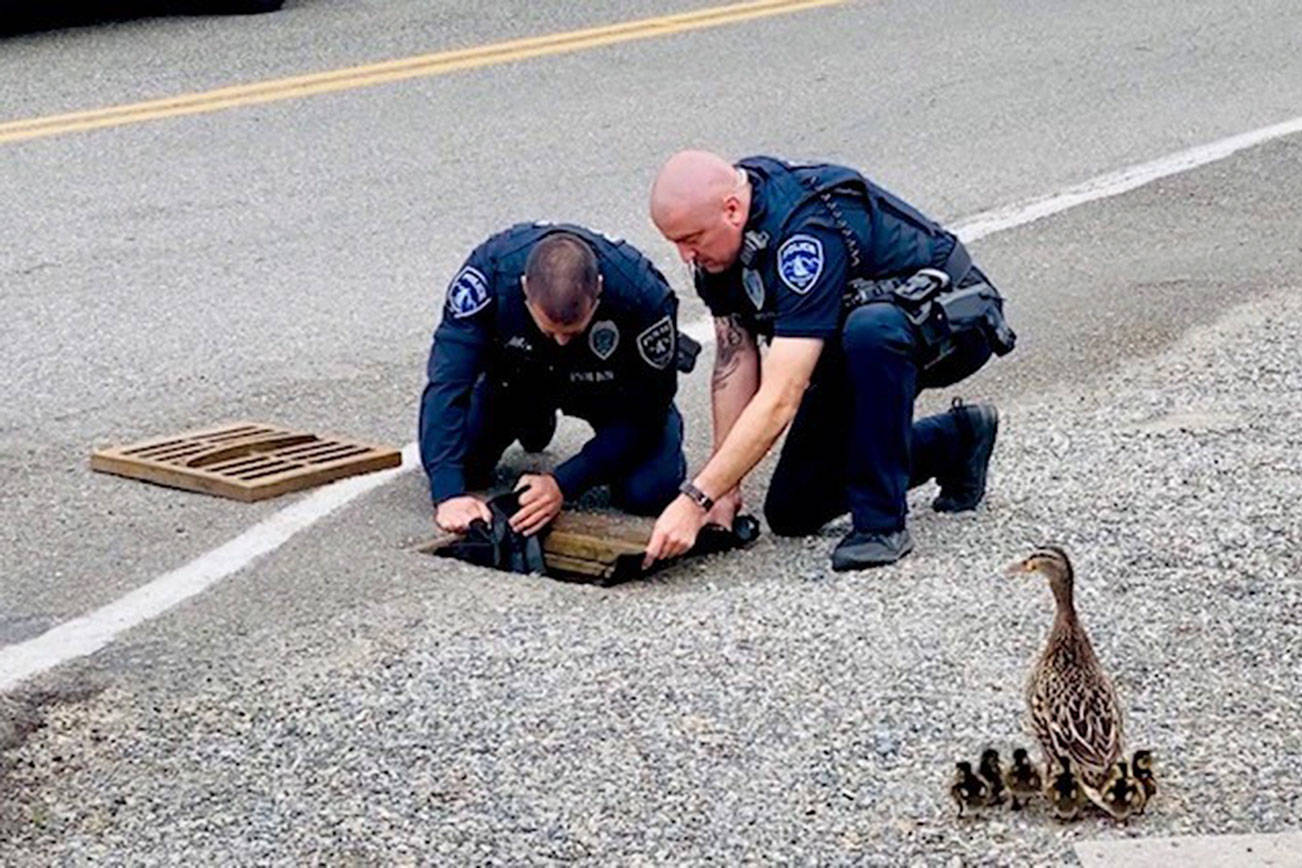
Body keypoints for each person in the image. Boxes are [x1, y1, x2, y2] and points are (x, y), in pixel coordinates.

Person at [642, 151, 1016, 570]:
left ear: (732, 210)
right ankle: (956, 439)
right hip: (849, 340)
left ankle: (881, 524)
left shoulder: (805, 235)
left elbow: (783, 393)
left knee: (873, 331)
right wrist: (722, 485)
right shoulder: (720, 242)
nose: (684, 256)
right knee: (793, 510)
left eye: (691, 240)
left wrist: (695, 498)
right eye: (674, 242)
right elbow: (735, 357)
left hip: (953, 322)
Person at [420, 223, 689, 537]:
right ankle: (532, 417)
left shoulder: (642, 296)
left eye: (572, 332)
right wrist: (448, 495)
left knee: (649, 490)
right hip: (520, 376)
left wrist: (565, 482)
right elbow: (447, 383)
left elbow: (648, 410)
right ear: (524, 288)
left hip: (609, 389)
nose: (561, 341)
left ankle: (546, 418)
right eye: (551, 331)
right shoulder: (490, 275)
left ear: (599, 288)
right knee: (457, 465)